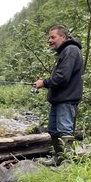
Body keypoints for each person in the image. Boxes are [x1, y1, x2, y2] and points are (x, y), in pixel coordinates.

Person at [34, 25, 84, 166]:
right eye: (49, 37)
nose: (49, 40)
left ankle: (67, 164)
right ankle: (58, 159)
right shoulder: (65, 51)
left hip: (67, 99)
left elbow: (62, 77)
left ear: (63, 37)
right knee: (53, 130)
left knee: (64, 130)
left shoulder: (71, 51)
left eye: (53, 37)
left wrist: (43, 82)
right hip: (60, 99)